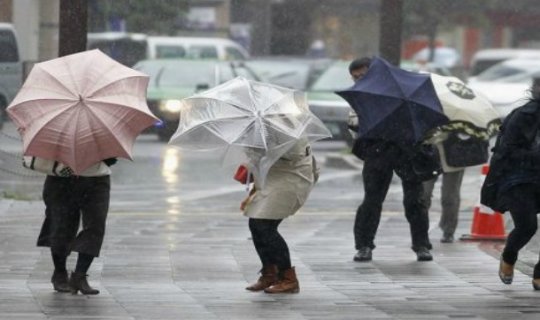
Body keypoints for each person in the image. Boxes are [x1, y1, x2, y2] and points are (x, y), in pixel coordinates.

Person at [347, 57, 437, 262]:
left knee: (415, 201)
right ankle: (364, 245)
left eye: (362, 75)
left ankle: (421, 244)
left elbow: (428, 126)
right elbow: (353, 127)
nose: (359, 80)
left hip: (408, 150)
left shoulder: (404, 90)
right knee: (372, 200)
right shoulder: (361, 98)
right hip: (378, 151)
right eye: (355, 77)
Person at [23, 156, 117, 294]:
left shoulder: (99, 133)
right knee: (61, 226)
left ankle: (79, 275)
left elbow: (111, 155)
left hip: (97, 178)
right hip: (61, 178)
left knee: (95, 226)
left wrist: (108, 157)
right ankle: (60, 273)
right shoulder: (55, 134)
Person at [481, 77, 540, 290]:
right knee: (527, 226)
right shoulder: (523, 116)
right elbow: (506, 151)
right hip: (519, 179)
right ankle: (509, 256)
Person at [240, 138, 318, 294]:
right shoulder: (256, 126)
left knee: (264, 225)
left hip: (291, 175)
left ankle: (288, 278)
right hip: (272, 178)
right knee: (256, 225)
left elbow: (294, 153)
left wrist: (266, 146)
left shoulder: (285, 123)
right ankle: (270, 273)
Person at [423, 131, 489, 243]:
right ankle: (420, 232)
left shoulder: (460, 114)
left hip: (454, 155)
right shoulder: (427, 114)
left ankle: (448, 231)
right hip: (428, 156)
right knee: (424, 195)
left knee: (449, 197)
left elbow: (470, 130)